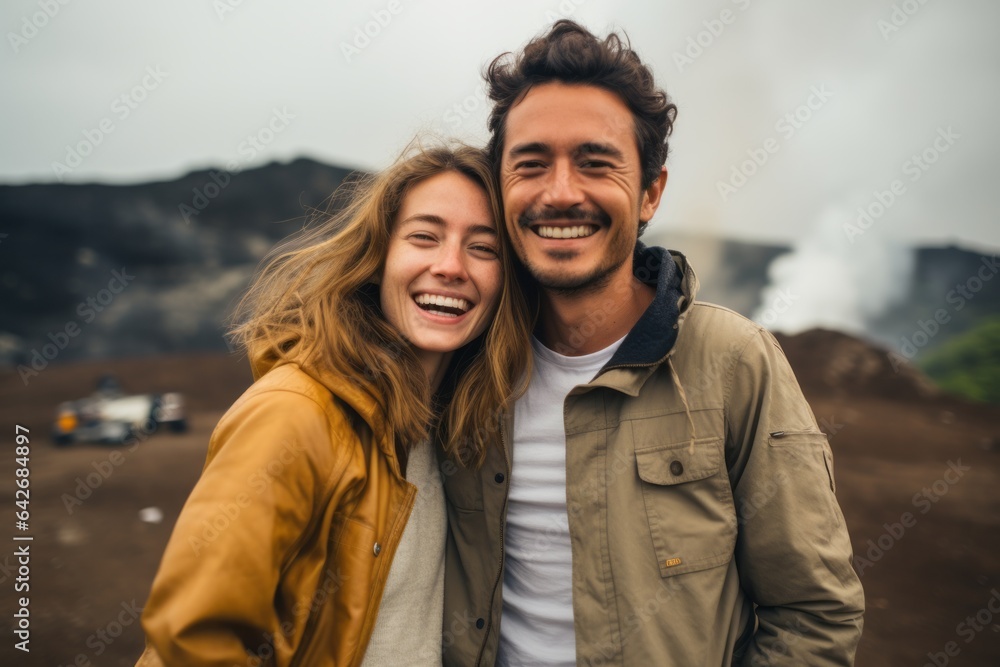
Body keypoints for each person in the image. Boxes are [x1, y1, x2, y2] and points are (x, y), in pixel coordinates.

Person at [440, 21, 865, 666]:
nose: (560, 193)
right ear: (499, 188)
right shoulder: (459, 362)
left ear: (650, 193)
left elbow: (813, 613)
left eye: (595, 163)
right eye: (530, 164)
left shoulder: (733, 361)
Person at [135, 144, 532, 666]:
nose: (451, 266)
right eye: (423, 237)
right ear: (378, 255)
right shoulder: (293, 414)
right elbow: (192, 644)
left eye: (484, 248)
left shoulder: (460, 433)